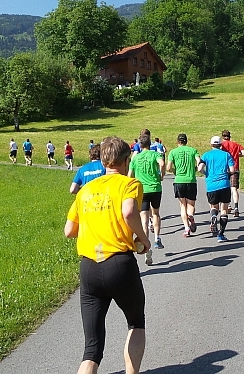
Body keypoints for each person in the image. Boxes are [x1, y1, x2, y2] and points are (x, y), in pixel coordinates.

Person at [64, 136, 149, 374]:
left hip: (89, 267)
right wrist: (143, 239)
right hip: (119, 263)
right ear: (126, 160)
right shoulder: (129, 184)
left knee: (92, 348)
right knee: (136, 322)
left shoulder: (86, 190)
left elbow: (69, 230)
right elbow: (129, 211)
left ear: (102, 162)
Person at [128, 134, 166, 264]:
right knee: (155, 213)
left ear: (140, 145)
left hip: (142, 190)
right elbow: (162, 163)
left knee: (144, 218)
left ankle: (146, 246)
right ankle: (157, 238)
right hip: (155, 188)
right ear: (150, 144)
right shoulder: (154, 155)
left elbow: (129, 175)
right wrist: (161, 175)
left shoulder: (136, 158)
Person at [200, 136, 235, 242]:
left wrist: (206, 173)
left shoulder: (206, 155)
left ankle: (214, 215)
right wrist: (228, 173)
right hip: (224, 184)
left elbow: (200, 168)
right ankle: (221, 234)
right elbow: (232, 170)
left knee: (214, 206)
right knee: (224, 209)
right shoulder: (226, 155)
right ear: (220, 145)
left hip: (211, 185)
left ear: (211, 144)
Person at [166, 133, 202, 237]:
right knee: (191, 204)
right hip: (191, 180)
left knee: (182, 205)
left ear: (178, 141)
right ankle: (190, 215)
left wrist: (174, 171)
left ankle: (186, 228)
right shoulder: (193, 150)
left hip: (179, 180)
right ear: (186, 141)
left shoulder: (173, 152)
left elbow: (168, 168)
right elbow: (199, 161)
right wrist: (195, 169)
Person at [220, 129, 244, 218]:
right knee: (234, 189)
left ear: (222, 137)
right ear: (229, 136)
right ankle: (236, 207)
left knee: (225, 188)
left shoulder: (221, 145)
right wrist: (237, 155)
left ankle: (227, 206)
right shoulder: (236, 144)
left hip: (225, 169)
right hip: (235, 168)